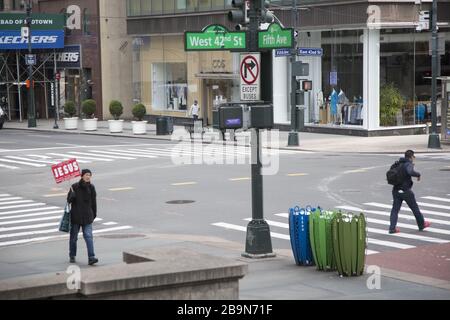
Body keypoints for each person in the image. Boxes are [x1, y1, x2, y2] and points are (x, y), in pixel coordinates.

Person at [389, 150, 431, 234]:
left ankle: (392, 228)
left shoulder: (397, 164)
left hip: (396, 190)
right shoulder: (408, 164)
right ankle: (421, 224)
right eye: (413, 157)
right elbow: (410, 172)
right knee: (415, 208)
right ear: (411, 157)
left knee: (395, 210)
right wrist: (418, 174)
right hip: (406, 191)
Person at [67, 169, 99, 265]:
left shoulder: (92, 187)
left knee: (89, 236)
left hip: (87, 217)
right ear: (82, 176)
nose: (88, 176)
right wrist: (71, 196)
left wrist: (94, 214)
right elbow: (68, 201)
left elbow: (94, 202)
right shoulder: (74, 187)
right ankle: (72, 255)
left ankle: (91, 257)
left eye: (89, 175)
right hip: (76, 216)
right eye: (86, 174)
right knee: (73, 237)